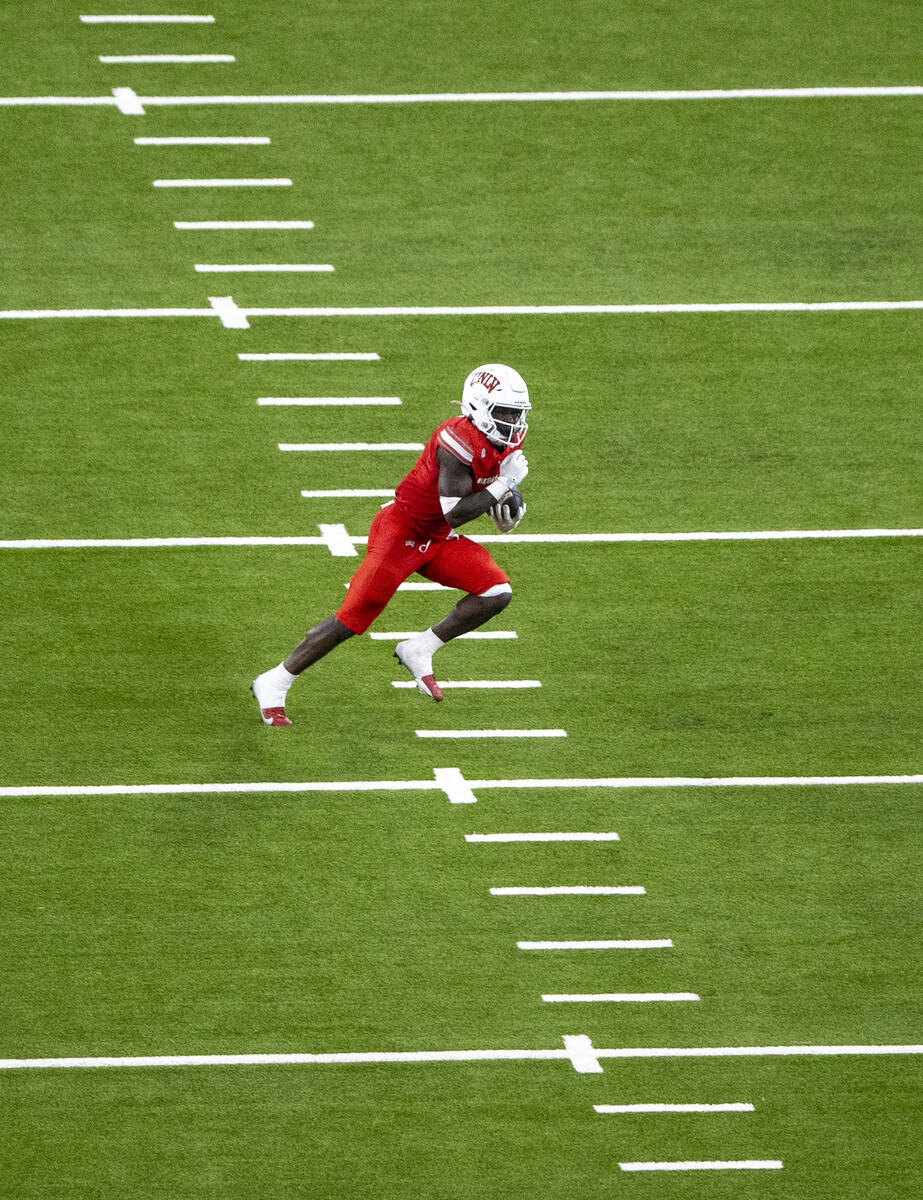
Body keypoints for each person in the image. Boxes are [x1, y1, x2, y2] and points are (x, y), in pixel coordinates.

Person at [251, 363, 532, 726]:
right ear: (478, 407)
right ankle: (274, 682)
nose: (512, 420)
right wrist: (502, 486)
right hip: (402, 532)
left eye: (516, 412)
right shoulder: (455, 442)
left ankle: (420, 648)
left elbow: (491, 481)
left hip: (435, 539)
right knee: (352, 618)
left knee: (496, 592)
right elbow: (455, 514)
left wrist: (506, 508)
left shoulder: (501, 437)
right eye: (504, 411)